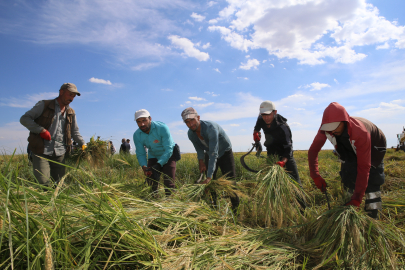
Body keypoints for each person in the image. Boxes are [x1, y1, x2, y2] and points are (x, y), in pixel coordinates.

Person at [308, 102, 386, 219]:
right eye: (328, 128)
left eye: (334, 127)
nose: (331, 131)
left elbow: (364, 167)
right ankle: (349, 213)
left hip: (373, 148)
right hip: (348, 147)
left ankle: (372, 217)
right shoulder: (326, 129)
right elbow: (313, 151)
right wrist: (315, 175)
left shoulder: (361, 133)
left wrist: (357, 198)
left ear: (344, 121)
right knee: (348, 176)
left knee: (372, 181)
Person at [20, 83, 86, 187]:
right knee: (43, 183)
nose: (72, 98)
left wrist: (83, 144)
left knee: (59, 184)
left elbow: (75, 132)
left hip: (60, 152)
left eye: (73, 96)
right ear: (61, 92)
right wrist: (41, 130)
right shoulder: (44, 105)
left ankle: (56, 203)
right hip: (41, 150)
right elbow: (24, 119)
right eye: (70, 94)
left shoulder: (71, 112)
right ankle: (43, 202)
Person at [181, 107, 240, 212]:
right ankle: (214, 208)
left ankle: (236, 209)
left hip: (224, 152)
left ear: (198, 118)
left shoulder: (210, 128)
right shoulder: (191, 134)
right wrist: (201, 161)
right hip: (209, 152)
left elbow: (214, 153)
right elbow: (199, 149)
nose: (190, 124)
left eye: (192, 120)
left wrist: (209, 176)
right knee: (211, 183)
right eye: (187, 122)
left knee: (230, 181)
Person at [133, 109, 179, 196]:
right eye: (138, 122)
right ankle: (154, 201)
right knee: (151, 182)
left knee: (169, 182)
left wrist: (159, 164)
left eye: (144, 120)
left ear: (150, 119)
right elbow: (141, 153)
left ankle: (170, 203)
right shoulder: (137, 135)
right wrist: (144, 166)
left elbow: (168, 149)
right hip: (153, 155)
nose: (142, 124)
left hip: (168, 155)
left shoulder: (162, 128)